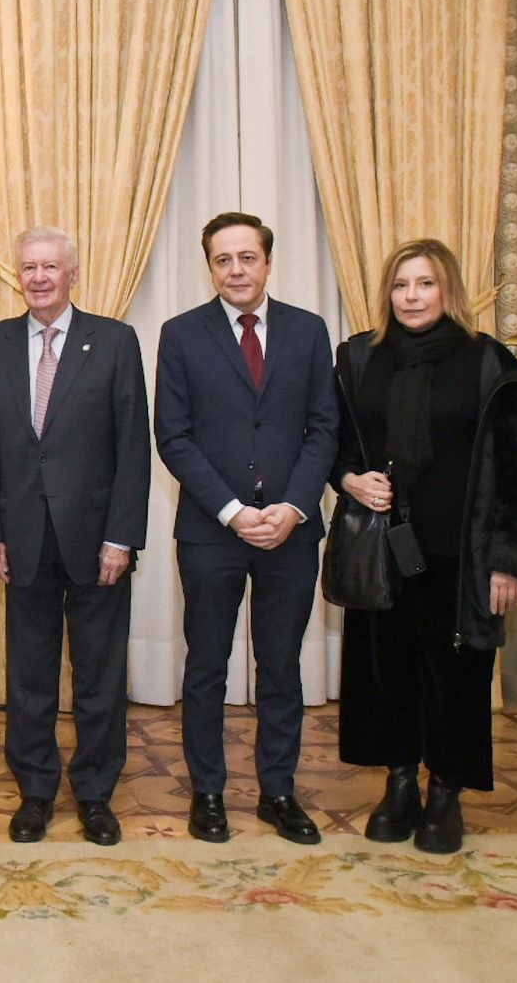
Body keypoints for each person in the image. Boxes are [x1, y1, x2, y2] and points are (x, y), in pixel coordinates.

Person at [332, 238, 517, 854]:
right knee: (387, 669)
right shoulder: (358, 359)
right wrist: (347, 478)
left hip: (462, 550)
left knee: (456, 674)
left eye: (424, 284)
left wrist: (507, 560)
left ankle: (446, 789)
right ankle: (399, 785)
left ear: (447, 289)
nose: (411, 296)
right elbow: (336, 443)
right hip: (383, 546)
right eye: (400, 285)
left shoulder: (487, 363)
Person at [154, 212, 339, 845]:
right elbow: (173, 437)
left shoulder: (309, 332)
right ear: (208, 266)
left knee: (282, 667)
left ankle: (278, 792)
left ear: (267, 261)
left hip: (292, 531)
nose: (236, 269)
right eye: (222, 259)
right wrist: (232, 511)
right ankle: (208, 792)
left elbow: (324, 429)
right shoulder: (180, 335)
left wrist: (293, 507)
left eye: (247, 257)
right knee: (206, 666)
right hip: (211, 533)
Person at [0, 225, 150, 846]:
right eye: (29, 267)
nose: (39, 277)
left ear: (73, 273)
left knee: (99, 677)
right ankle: (36, 792)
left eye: (51, 267)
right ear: (19, 275)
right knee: (30, 676)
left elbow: (134, 451)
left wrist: (122, 538)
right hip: (21, 540)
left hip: (98, 540)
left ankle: (96, 795)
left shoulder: (116, 341)